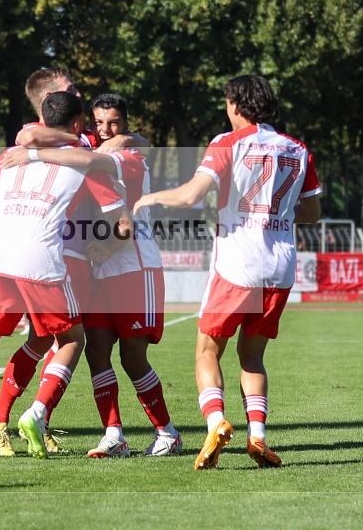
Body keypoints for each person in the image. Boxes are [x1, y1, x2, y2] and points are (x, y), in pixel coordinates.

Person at [133, 75, 322, 470]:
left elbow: (189, 195)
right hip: (281, 265)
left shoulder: (227, 143)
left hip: (238, 262)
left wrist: (146, 198)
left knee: (207, 350)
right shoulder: (297, 148)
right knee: (252, 357)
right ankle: (257, 437)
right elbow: (311, 213)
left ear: (236, 104)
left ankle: (216, 422)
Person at [1, 93, 182, 458]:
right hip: (100, 269)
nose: (105, 129)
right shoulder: (98, 151)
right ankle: (114, 435)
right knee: (96, 352)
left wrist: (32, 155)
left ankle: (168, 433)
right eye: (98, 123)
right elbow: (36, 135)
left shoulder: (127, 158)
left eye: (113, 123)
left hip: (135, 266)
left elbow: (84, 158)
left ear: (126, 123)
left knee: (133, 358)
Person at [0, 68, 147, 458]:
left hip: (62, 250)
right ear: (52, 99)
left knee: (47, 339)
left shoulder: (84, 141)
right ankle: (18, 418)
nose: (97, 121)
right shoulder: (61, 138)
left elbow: (137, 141)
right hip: (62, 252)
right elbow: (29, 136)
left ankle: (18, 420)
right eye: (72, 90)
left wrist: (119, 139)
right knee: (69, 339)